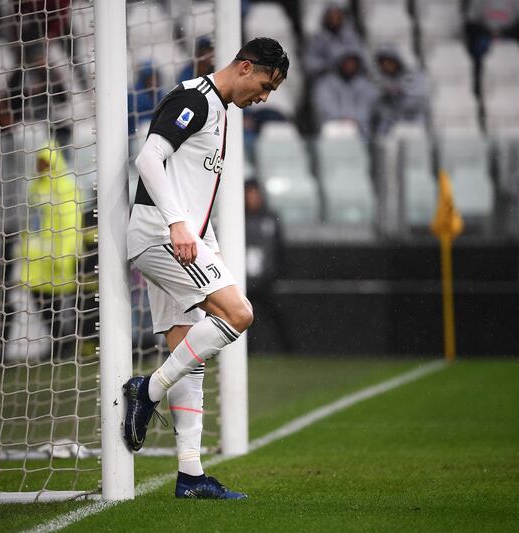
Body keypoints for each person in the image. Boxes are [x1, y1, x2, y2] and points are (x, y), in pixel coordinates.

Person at [123, 37, 288, 500]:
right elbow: (148, 159)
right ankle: (147, 390)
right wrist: (178, 224)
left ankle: (190, 476)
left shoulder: (220, 111)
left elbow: (192, 188)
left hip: (186, 239)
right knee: (239, 315)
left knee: (189, 358)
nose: (264, 96)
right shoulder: (193, 99)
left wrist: (201, 236)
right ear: (245, 66)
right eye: (265, 84)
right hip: (164, 236)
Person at [19, 142, 81, 360]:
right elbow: (31, 222)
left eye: (44, 160)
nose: (40, 165)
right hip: (36, 260)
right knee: (42, 305)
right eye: (39, 161)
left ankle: (67, 344)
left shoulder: (64, 187)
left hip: (56, 258)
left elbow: (70, 222)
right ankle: (57, 342)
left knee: (60, 306)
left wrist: (65, 254)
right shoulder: (35, 187)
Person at [243, 179, 291, 352]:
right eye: (249, 194)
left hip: (265, 280)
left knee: (276, 315)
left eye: (255, 194)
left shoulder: (270, 218)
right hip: (242, 281)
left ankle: (288, 351)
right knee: (241, 317)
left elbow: (279, 247)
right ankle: (247, 353)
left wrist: (277, 273)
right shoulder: (237, 219)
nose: (252, 198)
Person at [311, 46, 378, 139]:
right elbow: (325, 108)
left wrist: (353, 120)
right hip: (335, 127)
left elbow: (367, 109)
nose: (349, 65)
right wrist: (343, 119)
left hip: (361, 130)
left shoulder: (366, 85)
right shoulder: (325, 84)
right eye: (347, 62)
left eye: (353, 62)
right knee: (333, 130)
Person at [371, 45, 429, 138]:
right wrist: (385, 97)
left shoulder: (415, 76)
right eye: (383, 63)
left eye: (388, 62)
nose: (386, 65)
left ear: (396, 61)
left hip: (412, 124)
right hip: (388, 129)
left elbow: (420, 101)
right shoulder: (379, 80)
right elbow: (376, 109)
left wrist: (399, 94)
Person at [302, 2, 361, 82]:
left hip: (353, 79)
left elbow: (361, 57)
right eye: (331, 16)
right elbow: (309, 63)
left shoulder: (351, 37)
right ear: (326, 18)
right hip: (327, 79)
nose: (334, 20)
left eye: (337, 16)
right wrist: (327, 67)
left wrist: (351, 65)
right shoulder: (318, 39)